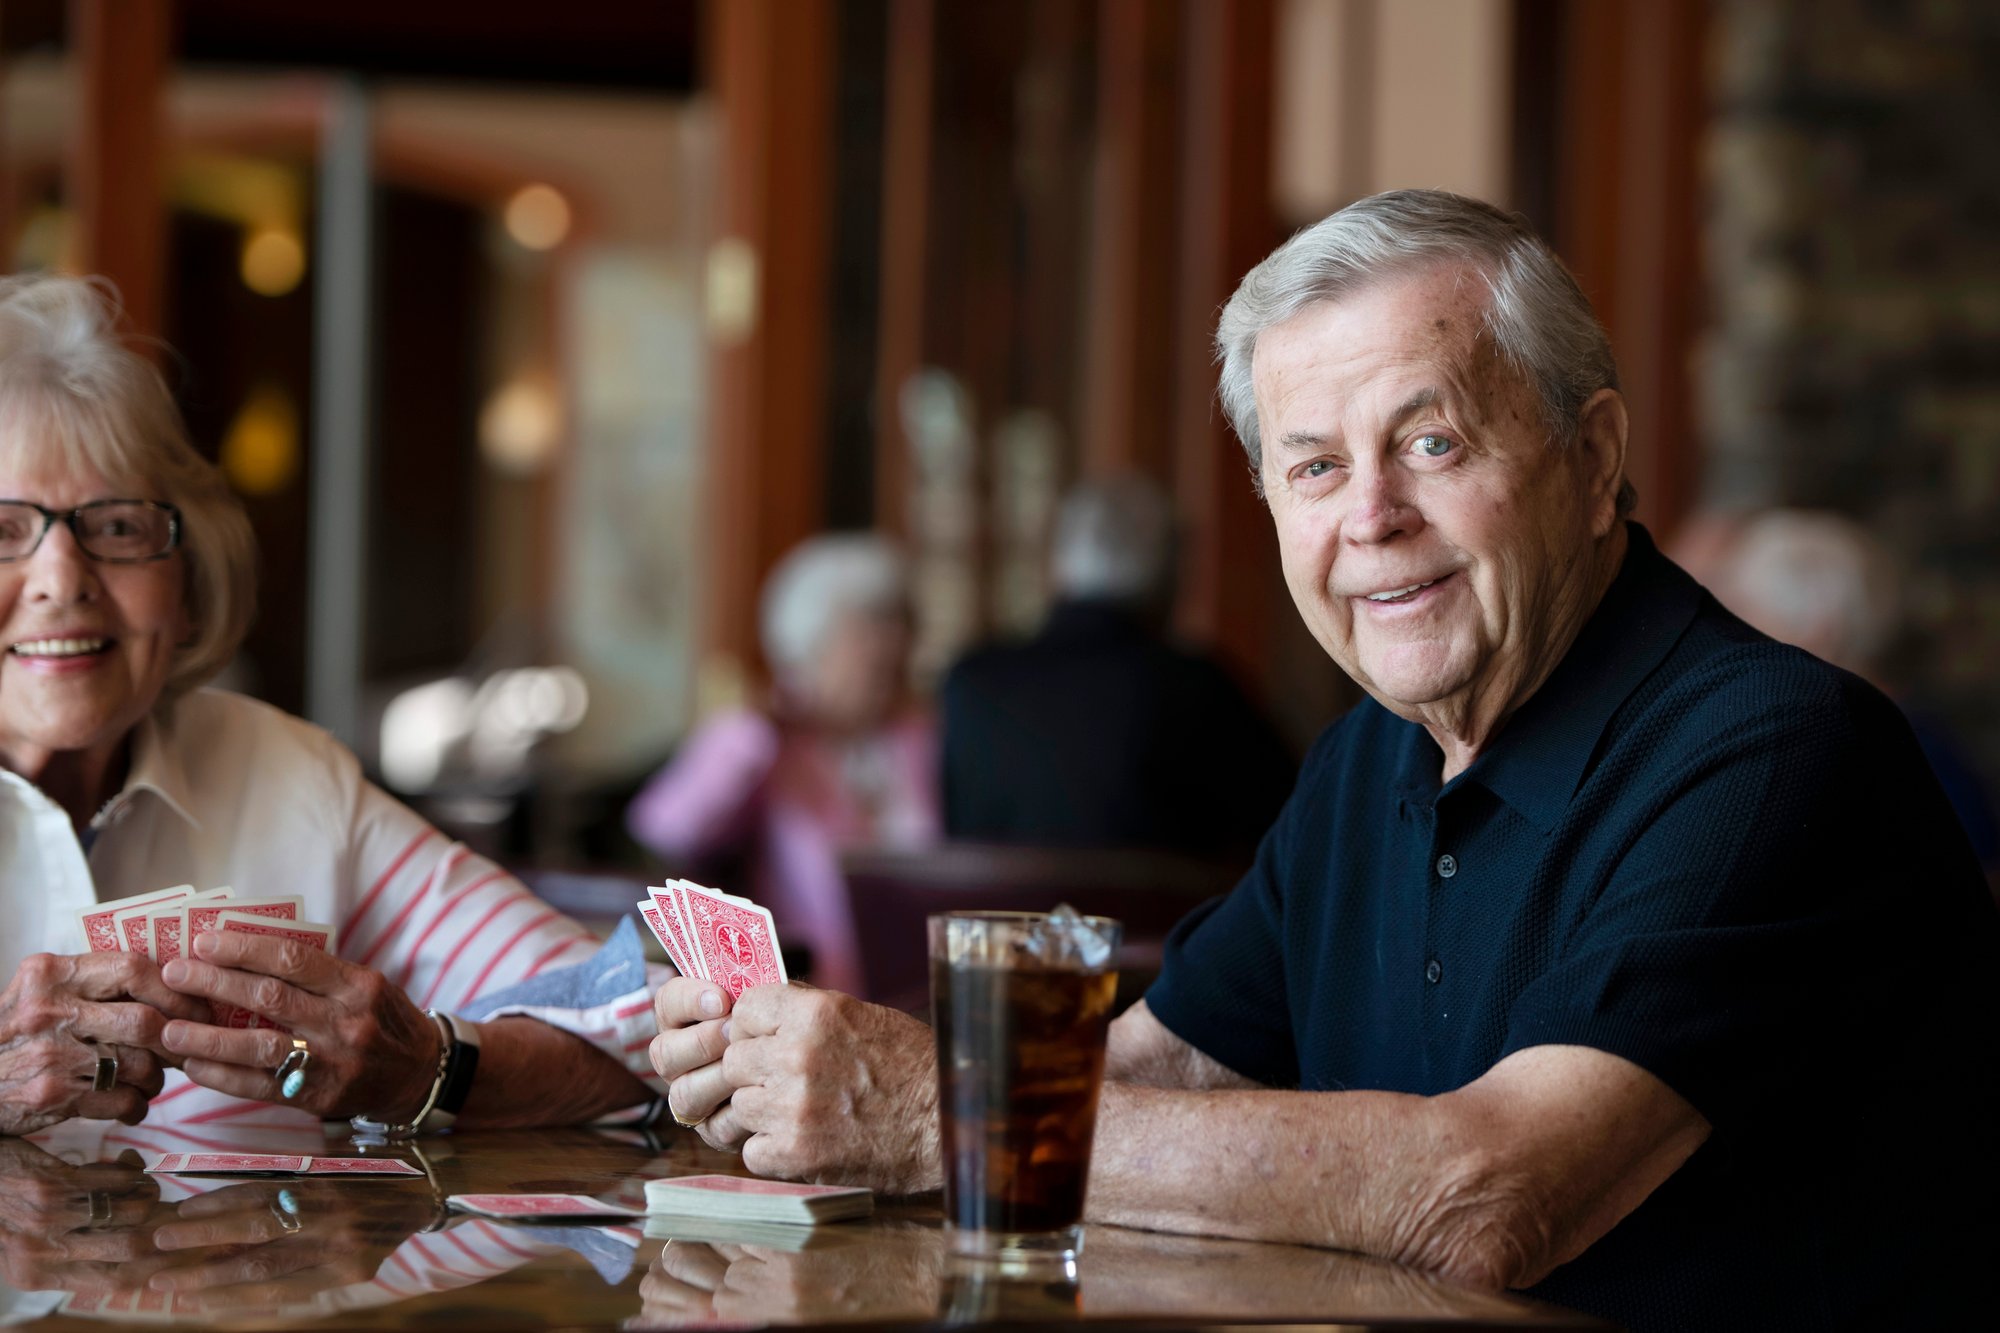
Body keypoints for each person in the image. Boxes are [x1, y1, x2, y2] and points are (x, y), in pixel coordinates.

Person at [650, 191, 2000, 1330]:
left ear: (1592, 461)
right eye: (1311, 469)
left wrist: (937, 1115)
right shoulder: (1370, 756)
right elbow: (1167, 1062)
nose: (1370, 518)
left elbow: (1488, 1194)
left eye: (1431, 442)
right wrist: (778, 1070)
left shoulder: (1773, 751)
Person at [0, 274, 666, 1139]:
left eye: (118, 526)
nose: (62, 580)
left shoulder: (284, 776)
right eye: (4, 530)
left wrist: (429, 1070)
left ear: (189, 582)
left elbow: (634, 1027)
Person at [626, 533, 937, 995]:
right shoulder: (762, 737)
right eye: (869, 625)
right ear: (810, 644)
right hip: (809, 989)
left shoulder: (919, 735)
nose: (892, 642)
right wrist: (754, 733)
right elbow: (665, 828)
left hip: (923, 987)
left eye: (898, 621)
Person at [939, 473, 1293, 859]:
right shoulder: (1198, 688)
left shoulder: (971, 683)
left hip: (1008, 904)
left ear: (1057, 566)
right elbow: (1294, 821)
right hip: (1166, 903)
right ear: (1171, 577)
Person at [1690, 507, 2000, 874]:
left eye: (1746, 618)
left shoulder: (1897, 750)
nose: (1729, 649)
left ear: (1818, 630)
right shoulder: (1871, 733)